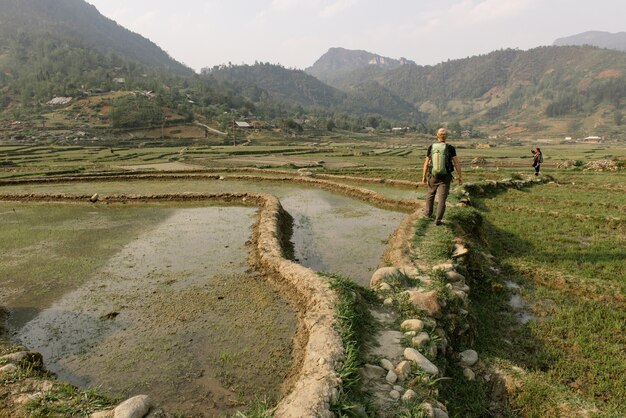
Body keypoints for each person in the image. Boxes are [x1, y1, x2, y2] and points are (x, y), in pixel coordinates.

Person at [422, 128, 463, 225]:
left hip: (433, 176)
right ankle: (438, 220)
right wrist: (460, 176)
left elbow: (426, 164)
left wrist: (423, 176)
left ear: (437, 136)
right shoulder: (450, 148)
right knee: (442, 199)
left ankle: (428, 213)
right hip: (445, 177)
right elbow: (457, 163)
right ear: (447, 136)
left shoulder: (431, 147)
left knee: (430, 194)